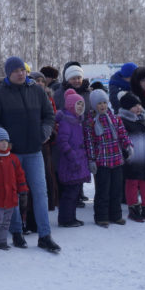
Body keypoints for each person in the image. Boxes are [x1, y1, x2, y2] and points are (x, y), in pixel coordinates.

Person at [0, 56, 61, 252]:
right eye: (16, 70)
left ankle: (45, 235)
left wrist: (44, 132)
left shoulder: (36, 90)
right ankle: (17, 231)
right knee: (14, 193)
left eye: (23, 70)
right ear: (8, 73)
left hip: (35, 150)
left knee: (40, 193)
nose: (21, 73)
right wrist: (3, 139)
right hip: (11, 154)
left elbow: (49, 115)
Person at [84, 88, 131, 228]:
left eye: (104, 102)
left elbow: (123, 134)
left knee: (116, 189)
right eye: (99, 104)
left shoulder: (115, 119)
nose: (102, 106)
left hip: (116, 159)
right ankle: (101, 217)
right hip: (102, 161)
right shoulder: (91, 122)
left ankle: (116, 215)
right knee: (103, 191)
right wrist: (91, 160)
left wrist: (128, 145)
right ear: (94, 105)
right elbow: (90, 143)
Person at [118, 93, 145, 222]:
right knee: (132, 183)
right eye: (135, 106)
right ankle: (134, 208)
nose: (138, 108)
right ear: (127, 108)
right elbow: (121, 140)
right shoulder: (123, 121)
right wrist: (126, 155)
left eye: (139, 105)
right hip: (133, 159)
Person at [55, 91, 90, 228]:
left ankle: (71, 217)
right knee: (69, 193)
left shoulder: (78, 121)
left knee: (75, 192)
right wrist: (72, 155)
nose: (80, 107)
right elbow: (62, 141)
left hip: (78, 161)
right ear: (70, 106)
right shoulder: (67, 121)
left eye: (82, 104)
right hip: (70, 162)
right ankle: (65, 219)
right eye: (77, 104)